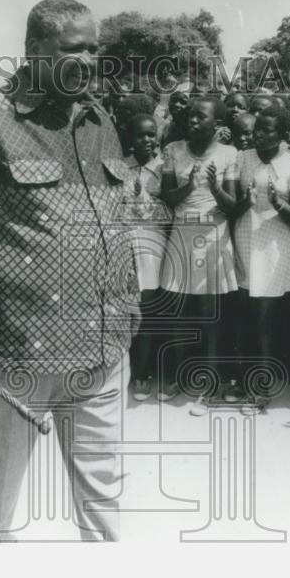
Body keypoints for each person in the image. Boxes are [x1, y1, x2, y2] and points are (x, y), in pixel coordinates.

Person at [0, 0, 139, 542]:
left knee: (105, 498)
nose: (90, 60)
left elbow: (115, 223)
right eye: (75, 49)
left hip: (104, 348)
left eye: (95, 48)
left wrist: (129, 308)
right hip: (20, 355)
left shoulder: (99, 119)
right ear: (33, 51)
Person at [158, 95, 240, 415]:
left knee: (209, 315)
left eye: (200, 116)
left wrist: (214, 188)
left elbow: (232, 205)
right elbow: (168, 197)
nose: (192, 120)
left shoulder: (229, 154)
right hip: (182, 232)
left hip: (214, 235)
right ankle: (180, 377)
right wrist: (189, 187)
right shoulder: (173, 150)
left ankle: (208, 386)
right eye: (190, 115)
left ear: (216, 123)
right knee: (179, 310)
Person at [231, 104, 290, 413]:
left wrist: (279, 204)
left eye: (268, 130)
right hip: (245, 237)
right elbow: (233, 204)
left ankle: (261, 389)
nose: (259, 135)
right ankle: (242, 378)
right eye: (257, 129)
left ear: (284, 135)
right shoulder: (242, 158)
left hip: (275, 244)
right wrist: (242, 201)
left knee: (264, 319)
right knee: (244, 316)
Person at [122, 113, 170, 401]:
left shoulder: (164, 168)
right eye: (141, 135)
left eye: (152, 134)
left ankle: (142, 372)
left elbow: (173, 210)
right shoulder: (120, 166)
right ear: (130, 137)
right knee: (126, 307)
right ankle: (123, 370)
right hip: (125, 242)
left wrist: (149, 200)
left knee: (150, 310)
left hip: (153, 243)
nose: (148, 140)